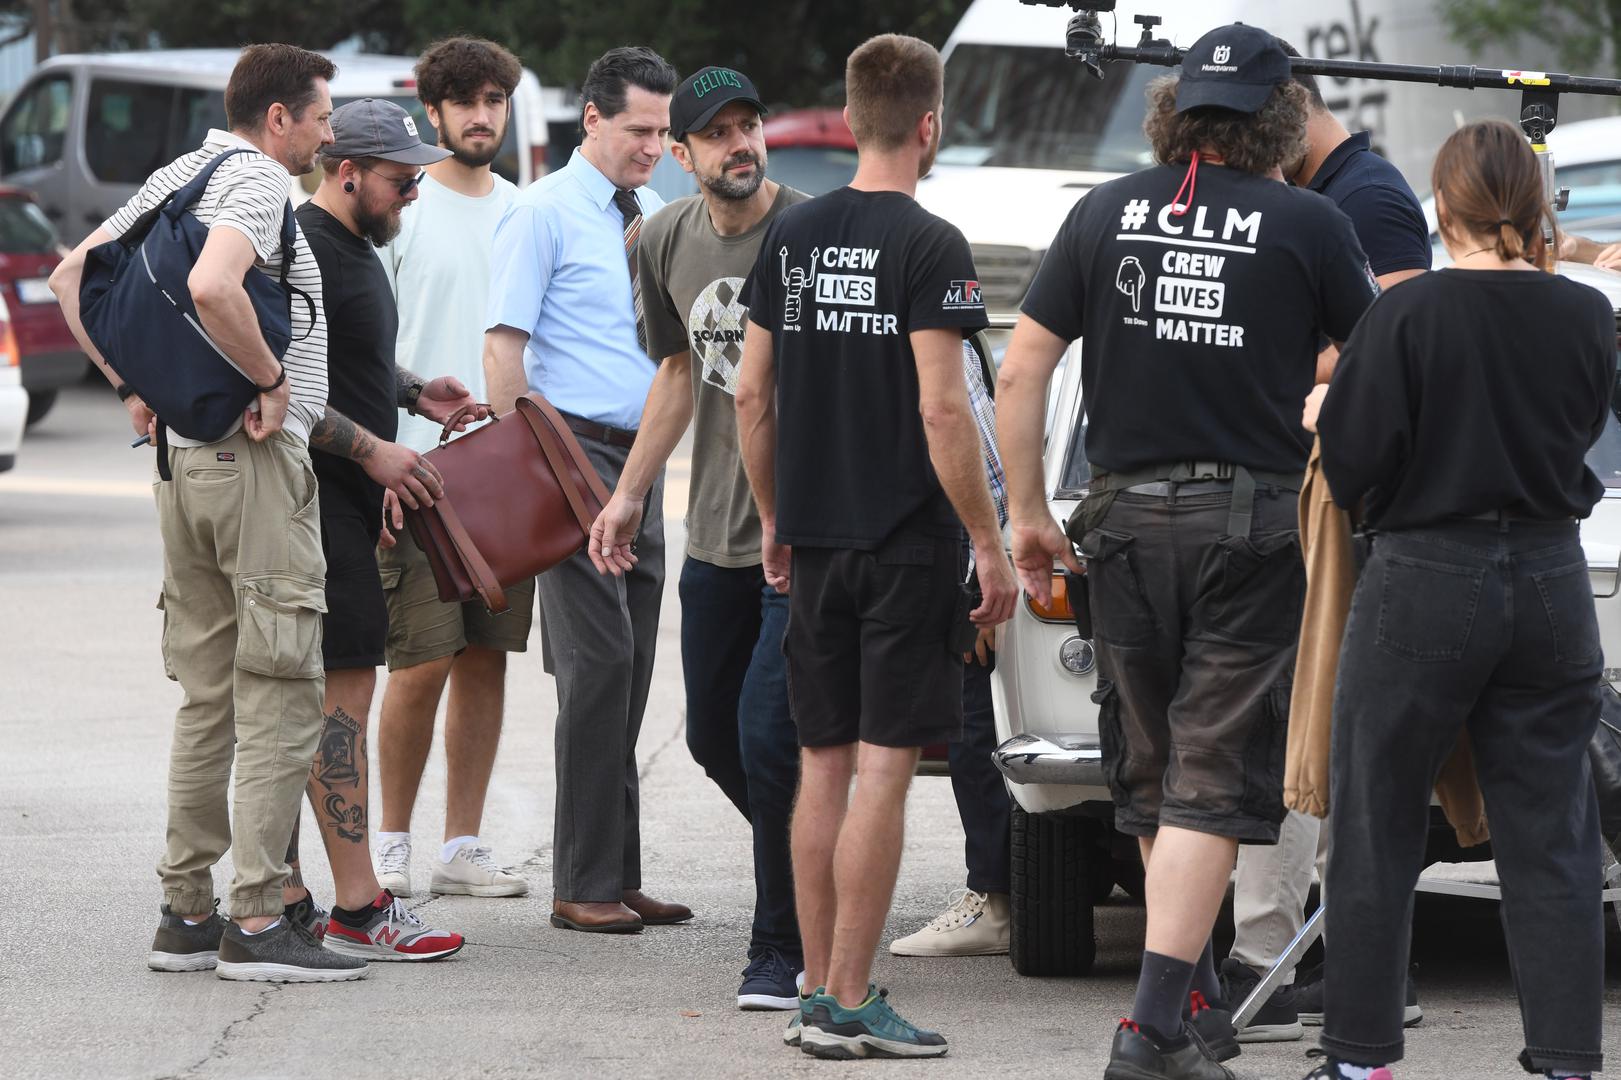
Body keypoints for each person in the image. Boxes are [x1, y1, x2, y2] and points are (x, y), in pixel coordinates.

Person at [995, 25, 1378, 1080]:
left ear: (1174, 114)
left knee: (1154, 768)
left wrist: (1024, 513)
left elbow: (1020, 371)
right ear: (1281, 118)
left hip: (1119, 519)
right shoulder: (1310, 222)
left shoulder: (1104, 210)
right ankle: (1154, 1025)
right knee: (1209, 772)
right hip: (1248, 528)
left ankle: (1194, 1003)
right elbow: (1383, 358)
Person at [47, 43, 367, 982]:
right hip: (253, 462)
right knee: (281, 686)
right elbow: (211, 285)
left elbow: (71, 277)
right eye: (321, 117)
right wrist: (268, 379)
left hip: (183, 463)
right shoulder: (259, 182)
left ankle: (185, 913)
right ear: (279, 118)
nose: (327, 135)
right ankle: (259, 920)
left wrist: (130, 387)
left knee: (208, 696)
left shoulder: (181, 171)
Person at [1305, 118, 1612, 1080]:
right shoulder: (1587, 313)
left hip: (1425, 576)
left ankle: (1360, 1058)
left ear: (1440, 208)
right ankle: (1565, 1059)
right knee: (1553, 831)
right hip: (1553, 578)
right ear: (1535, 205)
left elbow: (1353, 466)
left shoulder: (1406, 313)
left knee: (1377, 817)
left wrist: (1326, 410)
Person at [736, 33, 1017, 1058]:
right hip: (904, 545)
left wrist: (774, 516)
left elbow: (751, 394)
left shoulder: (792, 234)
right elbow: (945, 411)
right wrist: (987, 544)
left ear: (852, 121)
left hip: (814, 540)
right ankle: (850, 999)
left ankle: (817, 987)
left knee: (821, 766)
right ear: (928, 126)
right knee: (884, 770)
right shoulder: (931, 243)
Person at [1220, 49, 1432, 1041]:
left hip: (1337, 501)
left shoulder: (1368, 200)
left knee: (1314, 732)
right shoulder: (1324, 195)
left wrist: (1246, 356)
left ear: (1290, 119)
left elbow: (1387, 347)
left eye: (1249, 137)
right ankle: (1320, 960)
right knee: (1307, 731)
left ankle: (1329, 963)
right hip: (1304, 493)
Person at [587, 65, 808, 1003]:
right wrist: (628, 494)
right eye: (716, 133)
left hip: (803, 539)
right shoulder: (663, 238)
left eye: (749, 125)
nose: (739, 144)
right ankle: (821, 864)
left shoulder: (810, 232)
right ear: (680, 153)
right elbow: (678, 372)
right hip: (716, 533)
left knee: (767, 737)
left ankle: (780, 945)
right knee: (714, 736)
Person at [483, 46, 689, 934]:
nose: (653, 146)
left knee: (628, 668)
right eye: (638, 129)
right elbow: (503, 350)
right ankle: (580, 883)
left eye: (663, 131)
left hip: (643, 463)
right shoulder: (541, 212)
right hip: (571, 461)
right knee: (597, 667)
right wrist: (530, 473)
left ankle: (616, 872)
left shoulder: (656, 214)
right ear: (593, 119)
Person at [288, 97, 476, 962]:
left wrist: (410, 392)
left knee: (308, 708)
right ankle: (360, 908)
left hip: (346, 500)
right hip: (315, 505)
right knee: (338, 708)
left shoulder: (353, 246)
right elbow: (281, 386)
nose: (413, 194)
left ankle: (284, 893)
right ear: (346, 172)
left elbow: (338, 362)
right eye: (401, 180)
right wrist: (374, 454)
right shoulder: (301, 248)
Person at [371, 37, 535, 902]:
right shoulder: (403, 206)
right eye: (465, 102)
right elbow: (366, 349)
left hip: (506, 477)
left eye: (493, 100)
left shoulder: (524, 211)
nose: (481, 116)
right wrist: (376, 465)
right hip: (413, 472)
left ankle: (461, 846)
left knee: (484, 660)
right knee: (419, 663)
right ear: (431, 112)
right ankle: (389, 845)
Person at [889, 338, 1013, 959]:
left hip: (951, 566)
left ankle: (996, 900)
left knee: (974, 731)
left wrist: (979, 573)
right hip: (911, 563)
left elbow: (987, 466)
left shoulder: (938, 337)